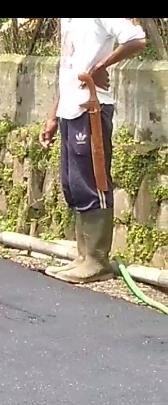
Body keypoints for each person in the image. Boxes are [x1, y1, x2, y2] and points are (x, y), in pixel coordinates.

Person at [40, 18, 146, 284]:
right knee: (73, 185)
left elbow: (136, 39)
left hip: (92, 108)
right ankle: (83, 256)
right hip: (70, 109)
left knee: (92, 182)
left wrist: (101, 66)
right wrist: (53, 116)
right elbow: (68, 70)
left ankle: (97, 260)